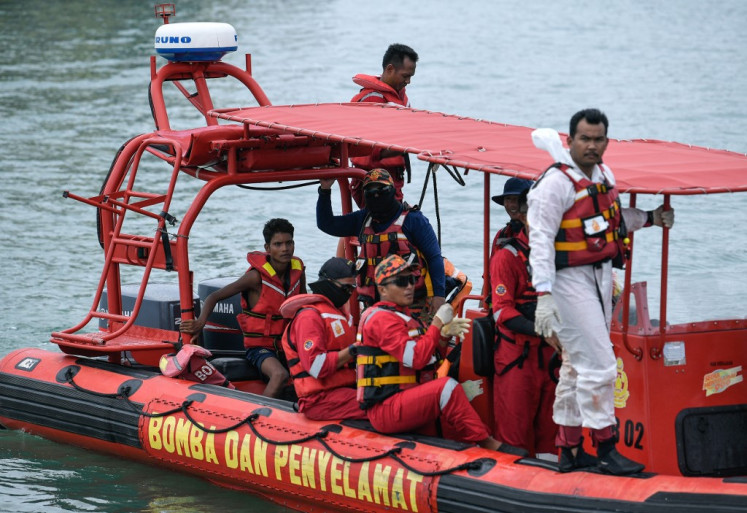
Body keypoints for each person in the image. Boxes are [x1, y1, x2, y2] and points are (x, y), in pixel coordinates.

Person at [527, 109, 675, 475]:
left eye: (598, 139)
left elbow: (611, 220)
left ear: (606, 142)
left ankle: (569, 448)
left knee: (577, 367)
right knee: (602, 364)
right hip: (567, 281)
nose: (591, 145)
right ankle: (606, 445)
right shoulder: (555, 184)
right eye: (585, 138)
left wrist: (651, 218)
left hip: (600, 274)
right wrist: (543, 295)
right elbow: (541, 240)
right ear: (571, 140)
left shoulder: (604, 176)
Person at [356, 254, 527, 455]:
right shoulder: (382, 319)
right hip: (388, 406)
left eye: (412, 280)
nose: (409, 286)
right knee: (446, 388)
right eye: (402, 282)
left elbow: (430, 358)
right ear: (382, 289)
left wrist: (444, 336)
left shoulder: (402, 317)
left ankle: (473, 455)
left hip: (404, 398)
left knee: (446, 420)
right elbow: (418, 359)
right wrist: (437, 324)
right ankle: (488, 444)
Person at [180, 218, 306, 398]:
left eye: (289, 243)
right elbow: (214, 296)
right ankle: (258, 416)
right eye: (278, 244)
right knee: (279, 375)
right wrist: (200, 322)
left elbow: (303, 304)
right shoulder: (255, 278)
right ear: (268, 248)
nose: (285, 249)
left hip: (288, 345)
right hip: (260, 349)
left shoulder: (298, 270)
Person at [317, 168, 446, 318]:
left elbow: (434, 257)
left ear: (392, 191)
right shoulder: (363, 219)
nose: (376, 195)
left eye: (382, 190)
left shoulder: (414, 220)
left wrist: (439, 296)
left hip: (412, 305)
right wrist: (325, 190)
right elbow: (327, 224)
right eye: (370, 192)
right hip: (373, 306)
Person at [490, 190, 559, 458]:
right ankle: (511, 483)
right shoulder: (506, 257)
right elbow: (501, 312)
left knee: (552, 431)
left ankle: (551, 480)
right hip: (516, 357)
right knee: (514, 433)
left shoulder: (559, 257)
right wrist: (542, 329)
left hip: (552, 355)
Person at [279, 257, 367, 421]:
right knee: (384, 407)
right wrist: (356, 348)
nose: (349, 293)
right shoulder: (309, 316)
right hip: (320, 400)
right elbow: (316, 366)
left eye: (352, 288)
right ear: (329, 283)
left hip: (344, 391)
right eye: (346, 288)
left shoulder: (339, 315)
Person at [349, 43, 419, 206]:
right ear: (389, 69)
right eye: (405, 76)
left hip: (393, 181)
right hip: (373, 185)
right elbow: (372, 150)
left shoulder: (401, 98)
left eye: (411, 77)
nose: (408, 81)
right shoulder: (372, 100)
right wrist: (416, 143)